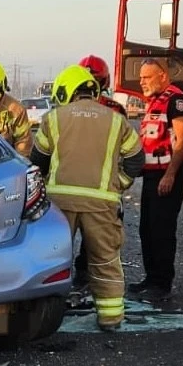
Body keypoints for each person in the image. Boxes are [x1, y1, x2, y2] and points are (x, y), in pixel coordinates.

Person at [31, 64, 144, 330]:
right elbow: (136, 159)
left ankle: (44, 319)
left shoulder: (54, 118)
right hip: (102, 204)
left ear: (65, 90)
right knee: (105, 260)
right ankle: (111, 318)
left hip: (59, 205)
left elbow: (38, 161)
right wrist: (118, 184)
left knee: (51, 260)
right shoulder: (115, 119)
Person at [128, 57, 183, 300]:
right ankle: (151, 278)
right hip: (153, 175)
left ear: (163, 76)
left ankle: (162, 284)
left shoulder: (175, 99)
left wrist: (170, 175)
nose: (141, 82)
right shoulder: (154, 100)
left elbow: (182, 139)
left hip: (168, 176)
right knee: (147, 229)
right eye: (141, 77)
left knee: (162, 230)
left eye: (147, 77)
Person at [71, 55, 127, 286]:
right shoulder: (114, 110)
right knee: (100, 238)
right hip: (101, 185)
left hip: (75, 182)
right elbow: (130, 152)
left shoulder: (67, 109)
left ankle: (81, 273)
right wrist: (121, 182)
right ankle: (91, 275)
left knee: (71, 234)